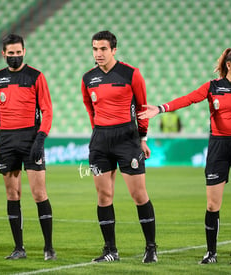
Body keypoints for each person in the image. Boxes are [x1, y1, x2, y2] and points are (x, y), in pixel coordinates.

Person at [138, 48, 231, 265]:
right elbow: (188, 99)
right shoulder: (213, 87)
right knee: (211, 205)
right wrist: (161, 109)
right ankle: (211, 253)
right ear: (229, 65)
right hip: (218, 146)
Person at [81, 30, 157, 264]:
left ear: (114, 50)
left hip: (127, 139)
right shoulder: (88, 78)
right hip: (100, 140)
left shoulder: (131, 74)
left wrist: (142, 138)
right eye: (95, 49)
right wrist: (99, 132)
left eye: (103, 49)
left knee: (138, 194)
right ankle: (110, 250)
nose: (98, 53)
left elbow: (142, 106)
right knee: (104, 196)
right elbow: (89, 107)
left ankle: (151, 248)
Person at [0, 34, 56, 261]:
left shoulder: (35, 76)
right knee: (12, 194)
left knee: (38, 193)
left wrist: (41, 137)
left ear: (24, 51)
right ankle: (19, 248)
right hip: (6, 140)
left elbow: (47, 110)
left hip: (30, 138)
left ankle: (48, 247)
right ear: (3, 54)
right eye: (11, 53)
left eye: (18, 52)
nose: (15, 56)